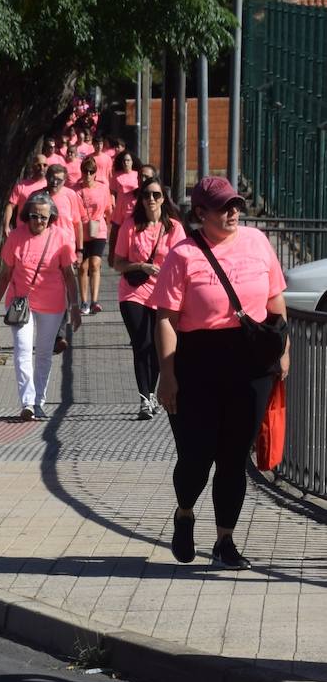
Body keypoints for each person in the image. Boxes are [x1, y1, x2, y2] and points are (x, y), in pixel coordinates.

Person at [151, 177, 290, 569]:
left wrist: (285, 352)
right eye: (223, 207)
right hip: (198, 361)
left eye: (236, 206)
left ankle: (225, 541)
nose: (232, 213)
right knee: (197, 456)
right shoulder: (183, 255)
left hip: (250, 364)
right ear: (201, 213)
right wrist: (167, 373)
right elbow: (165, 318)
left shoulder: (257, 242)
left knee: (232, 457)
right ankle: (184, 513)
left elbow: (274, 301)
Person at [0, 192, 82, 420]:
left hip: (52, 304)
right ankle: (27, 402)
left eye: (43, 217)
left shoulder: (60, 237)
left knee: (43, 354)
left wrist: (75, 307)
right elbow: (4, 275)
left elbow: (69, 276)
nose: (38, 221)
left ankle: (39, 400)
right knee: (22, 350)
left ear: (51, 217)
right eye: (33, 216)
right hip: (22, 303)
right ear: (26, 216)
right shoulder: (16, 237)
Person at [114, 176, 185, 420]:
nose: (151, 199)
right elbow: (117, 263)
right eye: (146, 195)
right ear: (140, 199)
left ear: (164, 199)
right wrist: (141, 266)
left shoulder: (174, 228)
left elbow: (184, 261)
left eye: (156, 195)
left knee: (157, 346)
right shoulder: (130, 226)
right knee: (141, 343)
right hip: (134, 291)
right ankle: (144, 397)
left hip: (164, 294)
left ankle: (153, 393)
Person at [75, 157, 113, 317]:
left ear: (95, 173)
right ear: (82, 172)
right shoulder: (75, 190)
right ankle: (84, 301)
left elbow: (108, 210)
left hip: (99, 229)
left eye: (91, 172)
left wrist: (110, 229)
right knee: (83, 267)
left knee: (95, 264)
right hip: (81, 231)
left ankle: (95, 301)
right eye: (85, 171)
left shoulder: (103, 189)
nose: (88, 175)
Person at [3, 155, 48, 230]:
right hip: (22, 230)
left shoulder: (50, 186)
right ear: (33, 166)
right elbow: (10, 206)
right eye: (38, 165)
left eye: (45, 165)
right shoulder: (21, 185)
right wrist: (6, 226)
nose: (42, 168)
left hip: (43, 231)